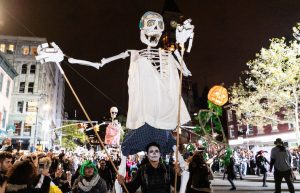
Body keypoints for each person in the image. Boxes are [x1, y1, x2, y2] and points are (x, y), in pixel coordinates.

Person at [117, 142, 181, 193]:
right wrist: (122, 183)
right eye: (151, 151)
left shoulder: (168, 169)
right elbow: (132, 188)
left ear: (160, 154)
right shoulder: (142, 171)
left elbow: (178, 186)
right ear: (147, 155)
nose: (154, 153)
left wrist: (178, 174)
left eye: (156, 151)